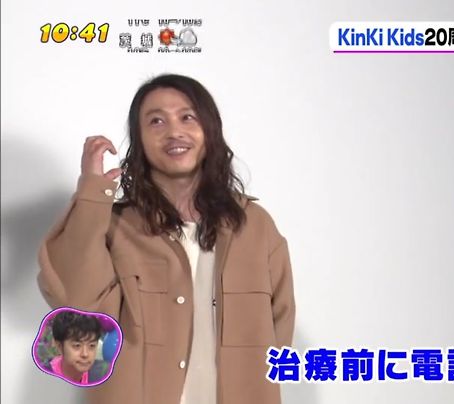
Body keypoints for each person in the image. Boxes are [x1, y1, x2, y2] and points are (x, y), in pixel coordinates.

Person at [37, 74, 295, 404]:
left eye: (187, 117)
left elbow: (279, 328)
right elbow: (77, 305)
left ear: (209, 130)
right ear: (140, 139)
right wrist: (91, 194)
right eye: (156, 121)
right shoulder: (115, 227)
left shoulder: (255, 227)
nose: (174, 131)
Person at [45, 310, 107, 385]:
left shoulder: (102, 374)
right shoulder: (43, 377)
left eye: (92, 345)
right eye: (77, 345)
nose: (85, 354)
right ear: (59, 346)